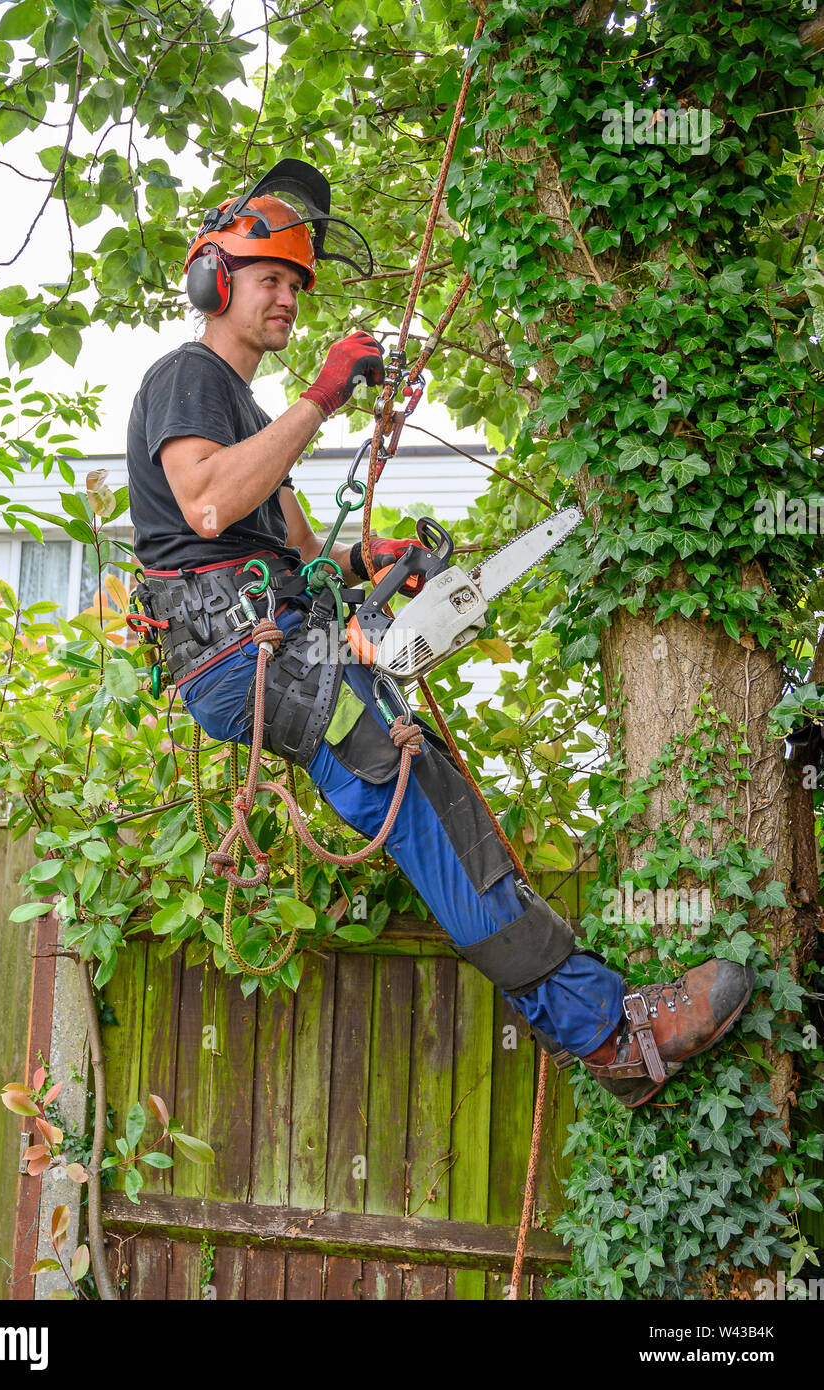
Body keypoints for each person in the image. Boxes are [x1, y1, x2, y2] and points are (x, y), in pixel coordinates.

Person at [126, 160, 754, 1108]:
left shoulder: (251, 413)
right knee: (418, 805)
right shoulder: (187, 377)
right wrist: (324, 399)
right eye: (269, 279)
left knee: (438, 802)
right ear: (214, 280)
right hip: (241, 654)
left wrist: (372, 561)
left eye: (297, 284)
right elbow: (209, 505)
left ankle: (604, 1032)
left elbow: (297, 551)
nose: (288, 297)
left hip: (285, 646)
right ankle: (611, 1033)